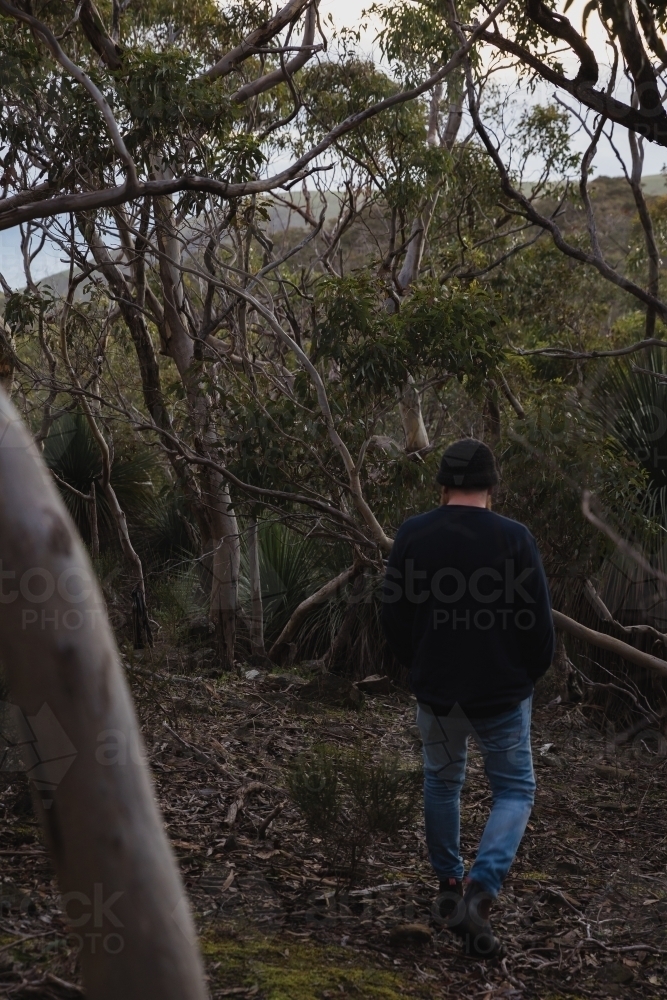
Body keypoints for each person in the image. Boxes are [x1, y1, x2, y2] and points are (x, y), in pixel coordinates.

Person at [381, 438, 554, 959]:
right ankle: (480, 893)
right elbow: (538, 626)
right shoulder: (515, 538)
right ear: (491, 487)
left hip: (437, 692)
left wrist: (420, 665)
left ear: (443, 485)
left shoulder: (413, 533)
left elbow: (394, 618)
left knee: (442, 781)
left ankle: (448, 887)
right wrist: (527, 676)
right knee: (515, 790)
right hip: (501, 693)